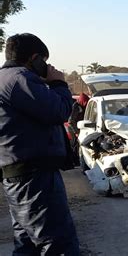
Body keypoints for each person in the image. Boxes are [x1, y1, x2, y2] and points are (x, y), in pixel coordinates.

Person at [0, 33, 80, 255]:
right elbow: (59, 111)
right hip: (35, 178)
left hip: (20, 176)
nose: (47, 66)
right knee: (58, 244)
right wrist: (58, 83)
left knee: (27, 246)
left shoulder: (7, 78)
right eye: (44, 61)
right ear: (34, 58)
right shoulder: (19, 79)